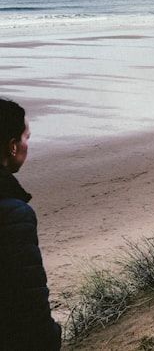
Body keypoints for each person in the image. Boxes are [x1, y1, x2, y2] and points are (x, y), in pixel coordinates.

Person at [0, 98, 62, 349]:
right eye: (27, 137)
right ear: (12, 146)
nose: (27, 144)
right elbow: (28, 296)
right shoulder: (13, 213)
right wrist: (51, 336)